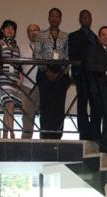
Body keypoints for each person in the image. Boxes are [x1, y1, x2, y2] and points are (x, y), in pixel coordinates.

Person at [34, 8, 70, 139]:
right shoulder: (40, 35)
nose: (54, 19)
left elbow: (68, 56)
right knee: (45, 106)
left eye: (57, 16)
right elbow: (37, 54)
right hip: (45, 73)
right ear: (49, 18)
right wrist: (46, 70)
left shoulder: (66, 36)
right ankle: (45, 135)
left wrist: (60, 72)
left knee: (59, 106)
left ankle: (57, 136)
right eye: (52, 16)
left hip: (61, 74)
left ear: (60, 19)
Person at [68, 10, 98, 140]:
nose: (86, 19)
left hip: (95, 77)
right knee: (82, 104)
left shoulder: (95, 37)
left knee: (95, 104)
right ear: (80, 19)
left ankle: (94, 131)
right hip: (82, 75)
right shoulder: (73, 36)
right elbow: (73, 56)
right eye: (83, 17)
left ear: (91, 19)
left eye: (88, 17)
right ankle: (84, 132)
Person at [86, 26, 107, 142]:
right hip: (97, 89)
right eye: (103, 34)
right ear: (98, 37)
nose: (106, 37)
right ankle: (95, 142)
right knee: (96, 117)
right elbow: (89, 66)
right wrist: (105, 70)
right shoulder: (93, 50)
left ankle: (106, 141)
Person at [0, 20, 22, 139]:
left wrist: (20, 76)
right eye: (7, 28)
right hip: (4, 76)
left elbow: (18, 64)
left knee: (8, 107)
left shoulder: (16, 46)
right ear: (2, 30)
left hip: (14, 78)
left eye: (12, 28)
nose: (10, 30)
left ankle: (5, 133)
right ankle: (11, 133)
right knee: (9, 104)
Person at [20, 24, 40, 139]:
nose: (33, 32)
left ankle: (45, 141)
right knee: (27, 115)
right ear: (27, 34)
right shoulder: (22, 47)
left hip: (43, 86)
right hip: (27, 86)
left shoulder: (45, 47)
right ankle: (26, 141)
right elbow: (17, 66)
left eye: (35, 30)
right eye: (30, 30)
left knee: (46, 116)